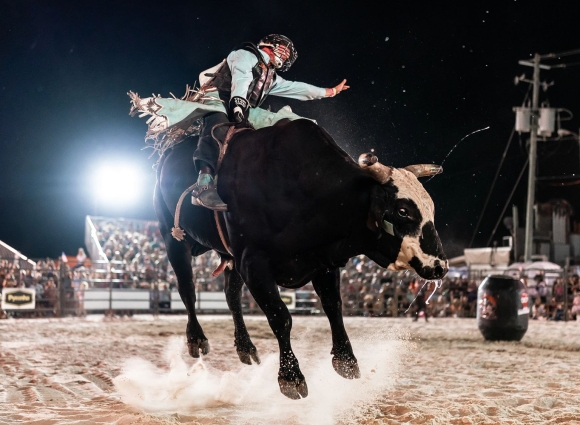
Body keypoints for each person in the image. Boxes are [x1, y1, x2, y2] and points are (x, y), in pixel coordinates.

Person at [129, 34, 349, 210]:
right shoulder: (245, 53)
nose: (287, 54)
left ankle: (323, 163)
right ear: (270, 45)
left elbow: (296, 87)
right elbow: (242, 77)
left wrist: (329, 92)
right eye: (284, 48)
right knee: (217, 127)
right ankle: (203, 183)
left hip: (245, 107)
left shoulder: (270, 76)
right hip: (219, 99)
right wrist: (238, 103)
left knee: (293, 122)